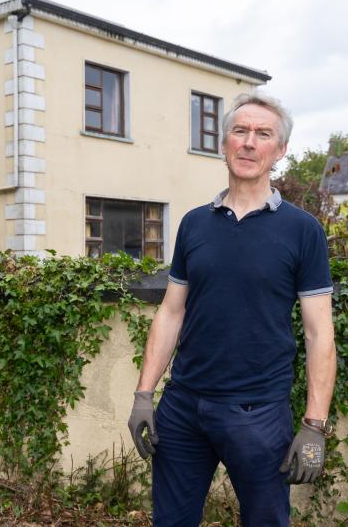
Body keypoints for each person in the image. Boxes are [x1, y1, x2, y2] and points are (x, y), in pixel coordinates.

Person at [128, 92, 336, 526]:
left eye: (263, 134)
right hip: (183, 407)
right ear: (223, 143)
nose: (248, 142)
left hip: (258, 414)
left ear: (279, 151)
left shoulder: (303, 231)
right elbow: (171, 312)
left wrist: (315, 425)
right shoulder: (194, 223)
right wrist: (145, 395)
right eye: (239, 131)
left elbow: (319, 333)